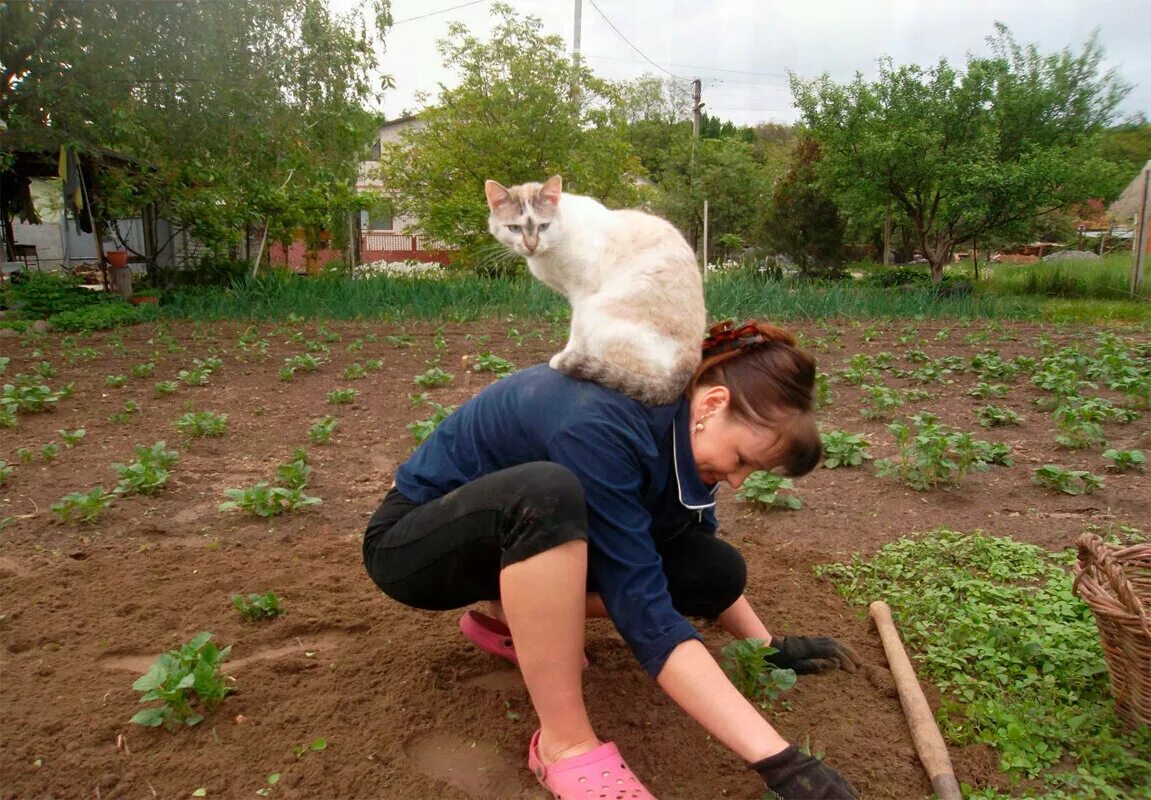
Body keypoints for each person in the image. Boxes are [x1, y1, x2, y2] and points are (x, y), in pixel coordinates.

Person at [363, 320, 861, 799]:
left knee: (715, 570)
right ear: (712, 402)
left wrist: (766, 645)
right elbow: (645, 614)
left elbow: (680, 551)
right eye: (743, 461)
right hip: (418, 546)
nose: (737, 481)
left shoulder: (680, 426)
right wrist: (782, 761)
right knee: (547, 493)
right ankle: (564, 745)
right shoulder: (601, 421)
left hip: (517, 538)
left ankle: (522, 621)